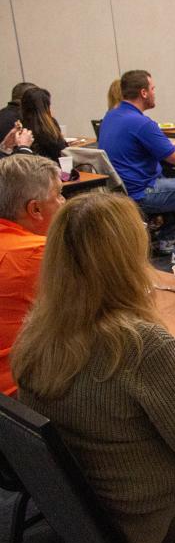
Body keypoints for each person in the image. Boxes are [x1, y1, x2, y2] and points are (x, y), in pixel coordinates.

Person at [11, 193, 175, 543]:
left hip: (93, 516)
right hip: (163, 522)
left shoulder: (36, 335)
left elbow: (116, 415)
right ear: (127, 259)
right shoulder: (141, 344)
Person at [99, 70, 175, 241]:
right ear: (143, 93)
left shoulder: (111, 116)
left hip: (120, 189)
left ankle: (167, 237)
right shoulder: (141, 123)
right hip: (142, 192)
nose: (154, 93)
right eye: (152, 89)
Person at [0, 155, 63, 397]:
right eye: (58, 195)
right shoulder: (39, 252)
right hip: (23, 390)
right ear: (35, 209)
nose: (63, 202)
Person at [18, 87, 66, 162]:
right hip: (53, 168)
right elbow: (62, 152)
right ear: (46, 107)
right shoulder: (48, 127)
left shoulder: (19, 126)